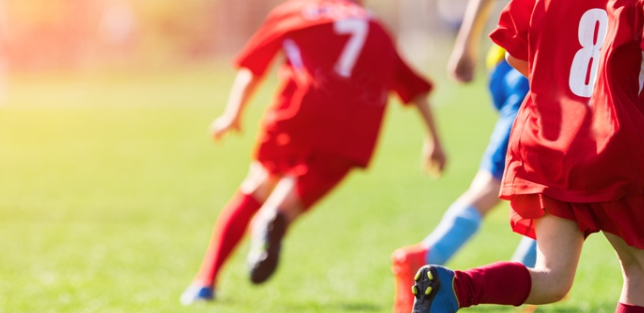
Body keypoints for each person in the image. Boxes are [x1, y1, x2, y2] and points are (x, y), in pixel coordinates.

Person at [408, 0, 644, 312]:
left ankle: (458, 288)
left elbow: (516, 53)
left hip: (544, 138)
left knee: (552, 279)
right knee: (643, 269)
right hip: (608, 144)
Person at [179, 0, 447, 305]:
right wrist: (434, 140)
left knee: (255, 189)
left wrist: (233, 113)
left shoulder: (296, 13)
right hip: (352, 129)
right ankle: (273, 218)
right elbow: (415, 89)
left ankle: (205, 281)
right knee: (289, 200)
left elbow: (253, 66)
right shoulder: (377, 29)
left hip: (297, 115)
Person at [390, 0, 537, 312]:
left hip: (514, 64)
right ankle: (428, 256)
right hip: (534, 68)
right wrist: (465, 43)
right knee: (500, 180)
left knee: (552, 181)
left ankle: (532, 279)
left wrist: (467, 44)